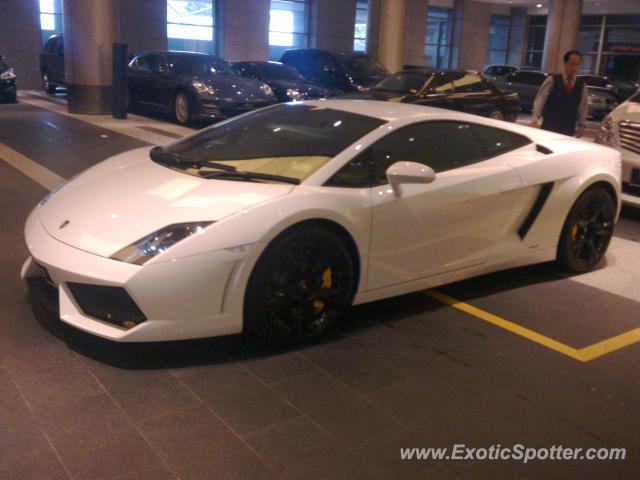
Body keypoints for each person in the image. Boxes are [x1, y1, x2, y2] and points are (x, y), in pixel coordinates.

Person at [530, 50, 587, 138]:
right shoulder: (552, 80)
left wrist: (582, 125)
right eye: (572, 64)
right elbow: (541, 99)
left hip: (568, 128)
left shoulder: (581, 85)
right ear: (565, 63)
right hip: (549, 125)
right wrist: (535, 118)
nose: (574, 68)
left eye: (577, 65)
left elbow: (582, 106)